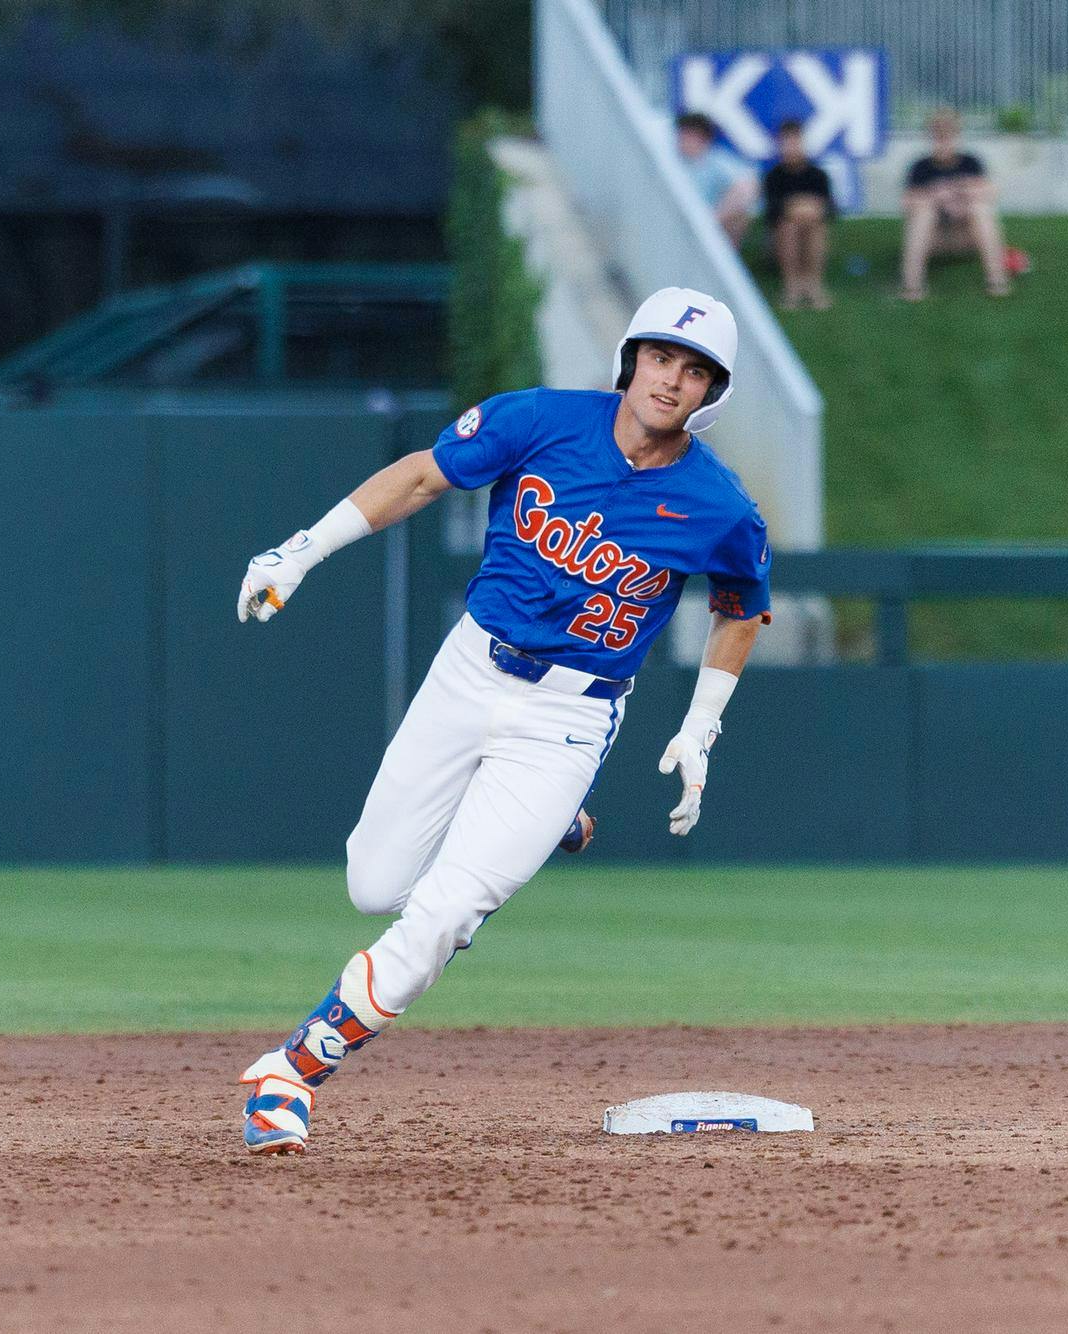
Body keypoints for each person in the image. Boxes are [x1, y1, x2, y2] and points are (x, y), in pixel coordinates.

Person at [232, 287, 773, 1155]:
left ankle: (292, 1071)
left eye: (697, 370)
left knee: (445, 913)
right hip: (471, 671)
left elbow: (741, 608)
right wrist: (301, 550)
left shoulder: (718, 506)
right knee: (374, 885)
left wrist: (702, 722)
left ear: (713, 393)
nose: (674, 379)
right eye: (664, 356)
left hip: (569, 715)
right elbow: (418, 477)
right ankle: (537, 828)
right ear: (632, 357)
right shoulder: (540, 420)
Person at [900, 109, 1014, 300]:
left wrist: (957, 192)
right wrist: (936, 197)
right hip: (936, 240)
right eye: (938, 137)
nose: (943, 142)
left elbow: (991, 191)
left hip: (966, 237)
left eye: (948, 136)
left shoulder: (970, 162)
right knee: (923, 212)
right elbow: (907, 202)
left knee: (980, 208)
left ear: (957, 136)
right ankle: (912, 286)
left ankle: (997, 281)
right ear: (931, 139)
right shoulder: (920, 167)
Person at [762, 120, 836, 309]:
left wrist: (810, 209)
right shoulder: (774, 176)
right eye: (786, 143)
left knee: (815, 223)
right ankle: (792, 284)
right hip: (780, 236)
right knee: (789, 225)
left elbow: (831, 210)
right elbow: (771, 213)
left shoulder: (818, 175)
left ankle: (813, 283)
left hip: (812, 228)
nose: (791, 148)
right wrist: (794, 208)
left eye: (795, 142)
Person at [674, 112, 757, 246]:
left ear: (705, 139)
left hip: (708, 224)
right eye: (685, 134)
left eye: (693, 135)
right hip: (672, 217)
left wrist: (711, 220)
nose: (686, 139)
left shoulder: (716, 161)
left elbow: (747, 187)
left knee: (740, 214)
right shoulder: (668, 158)